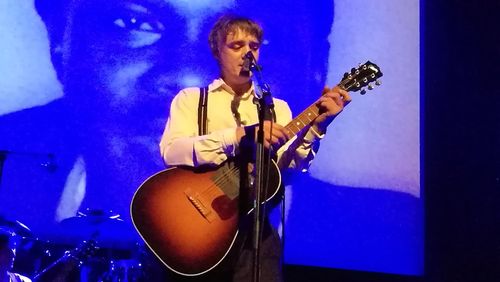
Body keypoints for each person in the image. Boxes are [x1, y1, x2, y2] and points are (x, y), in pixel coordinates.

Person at [159, 14, 350, 282]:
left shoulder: (275, 108)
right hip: (200, 236)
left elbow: (287, 171)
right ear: (217, 51)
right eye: (236, 46)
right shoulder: (192, 100)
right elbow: (172, 151)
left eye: (254, 46)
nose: (247, 53)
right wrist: (238, 136)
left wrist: (317, 128)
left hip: (256, 237)